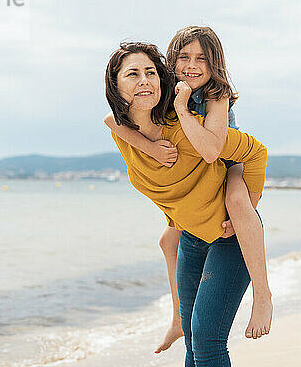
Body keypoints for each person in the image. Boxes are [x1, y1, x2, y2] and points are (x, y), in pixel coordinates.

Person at [104, 26, 272, 353]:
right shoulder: (158, 102)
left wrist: (182, 110)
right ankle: (177, 321)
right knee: (168, 238)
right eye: (183, 57)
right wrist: (152, 149)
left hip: (227, 156)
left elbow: (213, 150)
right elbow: (113, 121)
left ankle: (263, 295)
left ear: (215, 65)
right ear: (171, 63)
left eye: (202, 59)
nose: (192, 65)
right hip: (198, 203)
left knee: (238, 204)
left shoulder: (213, 95)